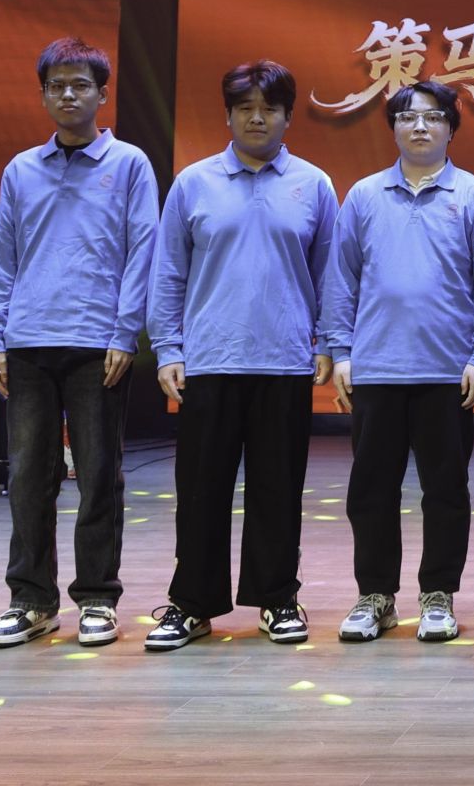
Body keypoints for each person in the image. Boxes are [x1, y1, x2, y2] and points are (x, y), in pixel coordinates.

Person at [145, 61, 337, 651]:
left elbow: (329, 275)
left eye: (269, 108)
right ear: (228, 115)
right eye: (245, 108)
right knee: (200, 492)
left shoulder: (314, 184)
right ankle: (192, 604)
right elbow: (168, 272)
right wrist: (167, 348)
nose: (257, 118)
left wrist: (329, 341)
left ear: (287, 116)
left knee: (278, 491)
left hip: (284, 361)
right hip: (208, 360)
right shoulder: (193, 183)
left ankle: (277, 598)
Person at [0, 38, 157, 649]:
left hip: (96, 343)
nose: (68, 95)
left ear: (102, 94)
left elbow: (143, 251)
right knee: (29, 475)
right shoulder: (21, 169)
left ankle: (98, 598)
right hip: (28, 342)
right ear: (42, 95)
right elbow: (2, 257)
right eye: (56, 86)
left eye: (80, 85)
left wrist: (125, 332)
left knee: (99, 474)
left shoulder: (129, 164)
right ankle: (31, 600)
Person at [320, 81, 474, 643]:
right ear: (393, 127)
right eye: (407, 116)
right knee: (370, 491)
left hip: (449, 372)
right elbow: (341, 278)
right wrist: (341, 351)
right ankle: (375, 596)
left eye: (433, 116)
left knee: (446, 491)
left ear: (451, 128)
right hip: (376, 369)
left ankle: (438, 595)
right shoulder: (364, 196)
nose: (420, 126)